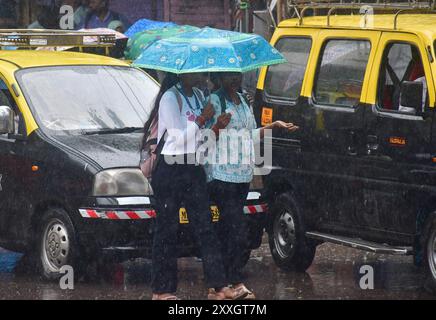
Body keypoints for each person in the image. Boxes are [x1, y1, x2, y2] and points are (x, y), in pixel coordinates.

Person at [142, 72, 247, 301]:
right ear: (184, 72)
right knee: (167, 230)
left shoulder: (200, 96)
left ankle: (218, 287)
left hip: (193, 167)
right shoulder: (170, 98)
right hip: (170, 167)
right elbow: (178, 138)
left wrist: (216, 126)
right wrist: (201, 119)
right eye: (198, 71)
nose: (203, 75)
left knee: (205, 227)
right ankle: (162, 290)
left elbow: (202, 138)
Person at [205, 72, 299, 299]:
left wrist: (272, 126)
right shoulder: (215, 101)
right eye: (230, 76)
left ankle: (223, 282)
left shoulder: (243, 101)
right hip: (222, 175)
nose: (234, 79)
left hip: (242, 175)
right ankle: (230, 282)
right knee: (233, 230)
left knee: (234, 229)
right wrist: (218, 125)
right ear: (220, 77)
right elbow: (206, 137)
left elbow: (250, 134)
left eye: (237, 75)